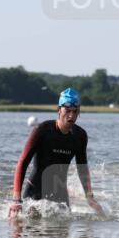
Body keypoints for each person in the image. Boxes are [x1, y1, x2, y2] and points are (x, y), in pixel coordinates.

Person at [9, 88, 104, 217]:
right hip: (35, 192)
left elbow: (82, 168)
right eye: (67, 111)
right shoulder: (42, 130)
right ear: (59, 110)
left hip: (60, 195)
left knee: (63, 234)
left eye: (75, 111)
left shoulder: (80, 136)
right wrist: (16, 199)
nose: (71, 115)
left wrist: (90, 198)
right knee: (23, 230)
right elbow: (23, 162)